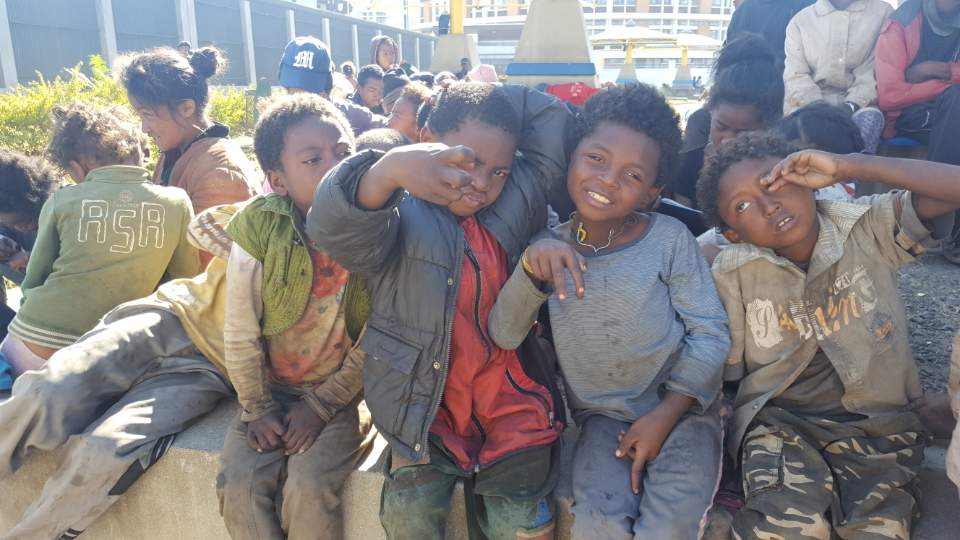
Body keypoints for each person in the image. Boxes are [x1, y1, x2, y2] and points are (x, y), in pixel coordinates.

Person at [309, 82, 572, 539]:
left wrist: (484, 90)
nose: (482, 184)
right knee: (408, 517)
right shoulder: (397, 211)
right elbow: (333, 226)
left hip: (510, 404)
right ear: (427, 139)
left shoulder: (518, 198)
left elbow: (553, 117)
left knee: (522, 523)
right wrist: (388, 169)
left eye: (498, 171)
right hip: (422, 411)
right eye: (468, 163)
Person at [488, 84, 730, 539]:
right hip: (602, 418)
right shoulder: (547, 249)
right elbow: (504, 334)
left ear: (652, 192)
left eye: (632, 175)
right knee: (596, 523)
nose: (608, 180)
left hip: (684, 410)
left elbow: (711, 333)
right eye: (596, 158)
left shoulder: (669, 241)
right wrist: (530, 269)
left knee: (669, 524)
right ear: (572, 156)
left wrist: (666, 414)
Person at [697, 132, 960, 539]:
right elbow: (727, 373)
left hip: (881, 429)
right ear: (733, 234)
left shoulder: (865, 225)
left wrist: (848, 164)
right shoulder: (733, 273)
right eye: (743, 206)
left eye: (775, 183)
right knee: (785, 527)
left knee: (879, 530)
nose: (769, 206)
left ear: (807, 180)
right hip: (782, 427)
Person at [0, 202, 237, 540]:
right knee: (49, 392)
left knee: (104, 451)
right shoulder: (273, 212)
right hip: (171, 317)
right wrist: (270, 243)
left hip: (211, 368)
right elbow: (203, 227)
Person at [216, 93, 375, 540]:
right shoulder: (260, 227)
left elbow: (379, 336)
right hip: (270, 393)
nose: (336, 166)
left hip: (340, 395)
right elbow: (240, 330)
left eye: (342, 152)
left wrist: (322, 406)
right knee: (239, 485)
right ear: (278, 180)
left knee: (308, 486)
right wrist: (257, 408)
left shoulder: (377, 227)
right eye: (313, 159)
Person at [3, 102, 200, 377]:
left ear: (76, 168)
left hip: (34, 346)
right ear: (139, 151)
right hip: (114, 347)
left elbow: (35, 278)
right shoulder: (177, 202)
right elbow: (185, 279)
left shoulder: (62, 200)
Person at [119, 46, 259, 216]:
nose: (144, 128)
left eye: (147, 115)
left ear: (186, 108)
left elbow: (208, 234)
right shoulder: (176, 151)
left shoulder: (220, 172)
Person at [670, 34, 784, 209]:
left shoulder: (779, 171)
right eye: (721, 127)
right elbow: (683, 216)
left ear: (767, 128)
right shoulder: (689, 166)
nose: (728, 139)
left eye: (743, 133)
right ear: (710, 112)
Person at [783, 0, 893, 153]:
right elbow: (796, 75)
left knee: (870, 118)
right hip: (809, 105)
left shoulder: (882, 13)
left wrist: (851, 105)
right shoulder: (800, 21)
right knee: (804, 135)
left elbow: (873, 70)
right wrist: (819, 108)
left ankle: (858, 166)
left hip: (858, 104)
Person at [279, 36, 388, 137]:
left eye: (309, 91)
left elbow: (387, 125)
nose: (300, 96)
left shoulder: (347, 114)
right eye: (293, 89)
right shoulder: (276, 120)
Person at [0, 150, 60, 286]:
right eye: (10, 224)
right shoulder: (7, 215)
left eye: (21, 222)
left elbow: (77, 255)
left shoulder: (65, 209)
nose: (19, 228)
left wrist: (31, 257)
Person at [726, 0, 816, 68]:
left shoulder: (809, 7)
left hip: (791, 82)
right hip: (747, 82)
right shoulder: (742, 11)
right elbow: (729, 59)